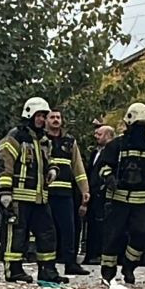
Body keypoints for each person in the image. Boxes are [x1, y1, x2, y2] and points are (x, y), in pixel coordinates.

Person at [0, 97, 62, 285]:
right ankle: (13, 270)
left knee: (47, 233)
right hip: (18, 195)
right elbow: (5, 163)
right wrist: (5, 191)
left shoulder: (43, 140)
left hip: (40, 197)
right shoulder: (16, 136)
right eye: (39, 116)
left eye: (44, 116)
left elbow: (49, 160)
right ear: (29, 115)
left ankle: (48, 270)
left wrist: (52, 169)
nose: (42, 120)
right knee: (17, 234)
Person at [94, 103, 145, 285]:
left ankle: (129, 267)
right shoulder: (116, 145)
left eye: (143, 125)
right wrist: (108, 179)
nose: (140, 129)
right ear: (130, 123)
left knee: (140, 233)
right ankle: (107, 272)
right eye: (138, 124)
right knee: (113, 235)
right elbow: (103, 167)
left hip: (141, 201)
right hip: (117, 199)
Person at [45, 110, 91, 276]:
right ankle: (47, 264)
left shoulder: (70, 141)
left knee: (69, 230)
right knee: (47, 230)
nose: (56, 120)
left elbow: (77, 167)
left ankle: (70, 263)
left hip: (65, 193)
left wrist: (85, 190)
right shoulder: (41, 139)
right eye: (52, 117)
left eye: (58, 117)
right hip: (45, 192)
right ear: (46, 120)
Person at [82, 125, 115, 264]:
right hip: (92, 194)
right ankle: (90, 254)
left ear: (109, 136)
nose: (96, 136)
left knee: (102, 225)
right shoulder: (95, 152)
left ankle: (99, 254)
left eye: (99, 134)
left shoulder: (113, 152)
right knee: (91, 225)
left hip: (104, 194)